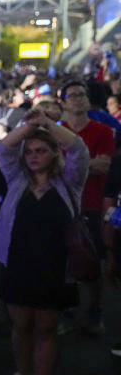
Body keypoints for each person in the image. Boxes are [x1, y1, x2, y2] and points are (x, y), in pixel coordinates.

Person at [0, 107, 89, 375]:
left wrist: (47, 123)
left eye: (41, 150)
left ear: (53, 153)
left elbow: (80, 150)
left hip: (54, 268)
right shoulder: (16, 179)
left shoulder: (69, 182)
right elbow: (3, 148)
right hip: (18, 264)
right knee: (20, 326)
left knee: (46, 329)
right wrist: (29, 126)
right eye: (29, 151)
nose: (33, 155)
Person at [59, 80, 114, 335]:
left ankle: (95, 311)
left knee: (93, 261)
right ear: (64, 102)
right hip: (64, 204)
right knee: (63, 261)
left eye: (82, 95)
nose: (79, 99)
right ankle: (67, 311)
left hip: (92, 204)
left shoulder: (103, 131)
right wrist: (86, 163)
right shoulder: (58, 131)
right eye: (73, 95)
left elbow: (104, 166)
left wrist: (69, 164)